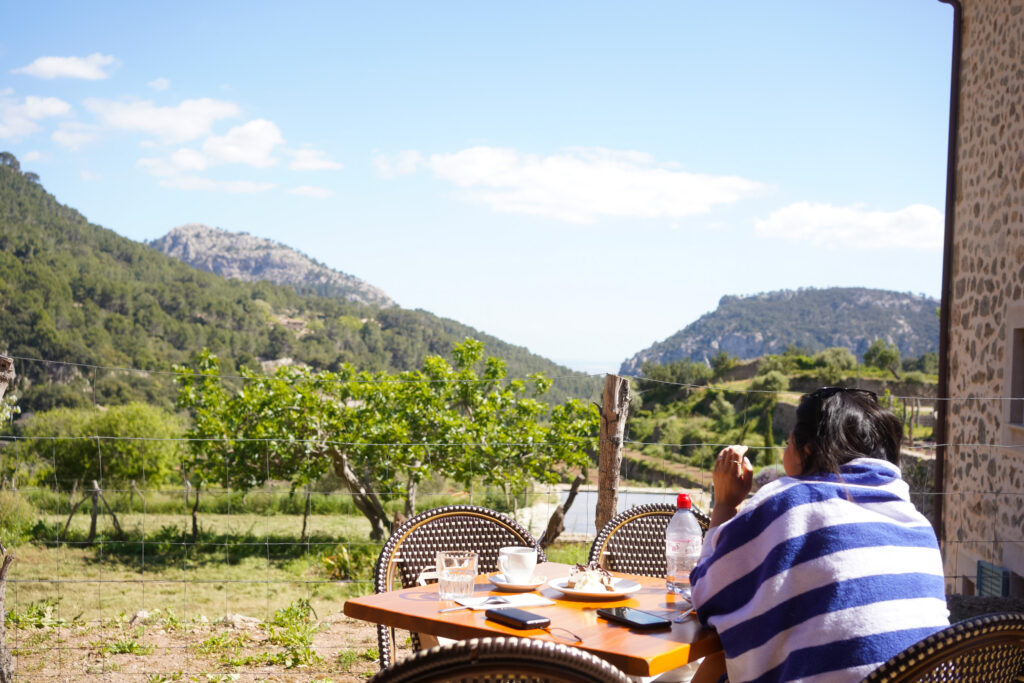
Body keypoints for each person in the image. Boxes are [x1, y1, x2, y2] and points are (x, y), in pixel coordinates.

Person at [689, 387, 949, 683]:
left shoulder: (789, 502)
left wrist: (725, 503)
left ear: (806, 451)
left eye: (787, 445)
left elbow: (707, 596)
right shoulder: (918, 525)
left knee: (722, 658)